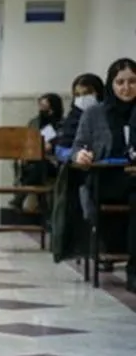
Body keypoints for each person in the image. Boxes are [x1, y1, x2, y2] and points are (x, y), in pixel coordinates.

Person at [71, 58, 136, 293]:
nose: (126, 88)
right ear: (111, 84)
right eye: (120, 82)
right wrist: (81, 156)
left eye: (132, 82)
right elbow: (78, 146)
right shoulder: (94, 113)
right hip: (107, 180)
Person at [54, 73, 105, 160]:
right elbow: (61, 148)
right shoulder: (72, 119)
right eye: (77, 95)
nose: (82, 98)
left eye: (87, 93)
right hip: (78, 164)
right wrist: (76, 155)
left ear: (99, 93)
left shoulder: (108, 115)